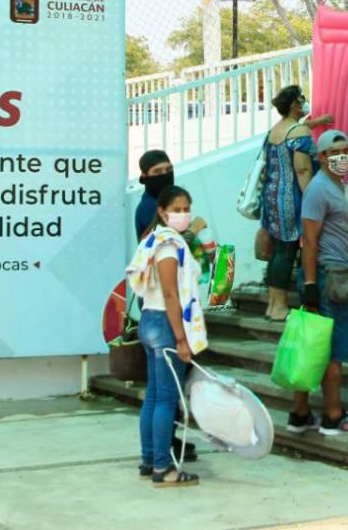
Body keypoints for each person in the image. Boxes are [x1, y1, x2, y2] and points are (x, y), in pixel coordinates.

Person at [129, 185, 207, 486]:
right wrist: (182, 339)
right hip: (165, 323)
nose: (183, 214)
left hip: (150, 319)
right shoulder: (167, 245)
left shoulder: (153, 240)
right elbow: (172, 295)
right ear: (162, 212)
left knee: (153, 396)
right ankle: (164, 467)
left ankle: (150, 459)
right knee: (165, 398)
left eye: (186, 208)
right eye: (176, 209)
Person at [292, 130, 348, 435]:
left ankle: (300, 413)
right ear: (321, 157)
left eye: (344, 150)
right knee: (333, 349)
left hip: (335, 275)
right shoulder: (319, 189)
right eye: (333, 152)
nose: (341, 157)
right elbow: (309, 239)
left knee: (312, 346)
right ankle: (333, 416)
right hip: (326, 276)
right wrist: (311, 284)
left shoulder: (339, 187)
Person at [260, 86, 334, 322]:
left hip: (271, 197)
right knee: (287, 251)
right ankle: (281, 306)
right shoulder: (298, 131)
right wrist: (313, 200)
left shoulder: (275, 130)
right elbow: (302, 170)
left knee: (277, 252)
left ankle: (273, 305)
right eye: (301, 99)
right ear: (294, 104)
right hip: (290, 198)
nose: (304, 103)